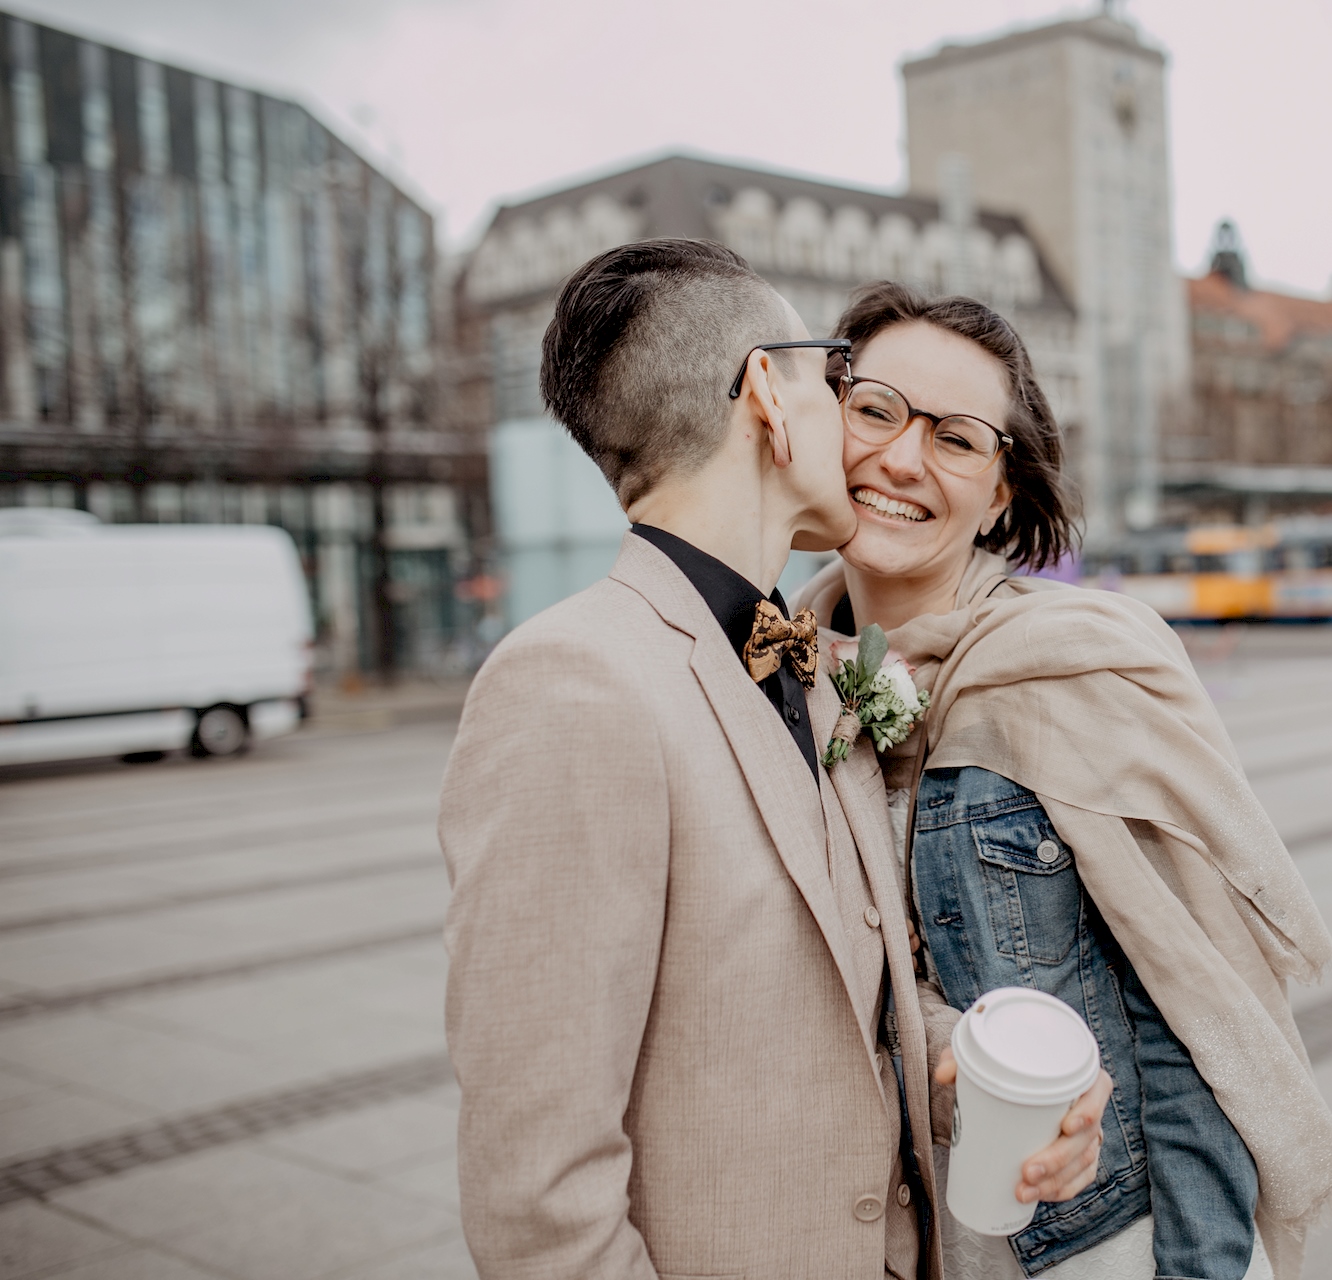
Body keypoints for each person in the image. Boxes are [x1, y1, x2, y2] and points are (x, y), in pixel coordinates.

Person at [438, 241, 1108, 1280]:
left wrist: (968, 1067)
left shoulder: (818, 667)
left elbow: (840, 987)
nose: (855, 419)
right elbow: (539, 1194)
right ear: (767, 389)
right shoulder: (573, 682)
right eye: (834, 374)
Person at [797, 283, 1332, 1280]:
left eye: (959, 438)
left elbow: (1197, 1010)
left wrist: (1198, 1266)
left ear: (1004, 492)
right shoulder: (778, 675)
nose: (900, 458)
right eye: (876, 409)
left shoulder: (1079, 663)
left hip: (1097, 1248)